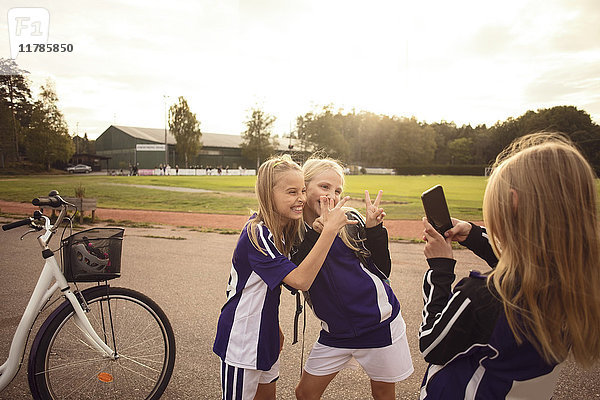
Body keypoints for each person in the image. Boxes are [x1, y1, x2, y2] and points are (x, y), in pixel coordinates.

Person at [419, 132, 600, 399]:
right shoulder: (578, 281)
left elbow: (431, 344)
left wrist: (440, 269)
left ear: (512, 203)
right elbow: (525, 265)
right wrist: (474, 235)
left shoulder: (481, 296)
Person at [213, 155, 358, 400]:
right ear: (269, 195)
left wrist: (274, 325)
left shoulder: (282, 230)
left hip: (265, 334)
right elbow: (300, 281)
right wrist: (328, 232)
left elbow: (273, 284)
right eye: (291, 192)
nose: (301, 198)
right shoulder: (256, 233)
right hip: (243, 339)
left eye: (302, 190)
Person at [292, 158, 414, 400]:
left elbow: (382, 269)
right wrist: (319, 234)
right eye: (325, 187)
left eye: (337, 190)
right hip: (336, 330)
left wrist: (374, 229)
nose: (332, 196)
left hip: (379, 324)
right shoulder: (293, 232)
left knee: (383, 393)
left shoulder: (351, 220)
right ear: (304, 189)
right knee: (305, 393)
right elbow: (295, 276)